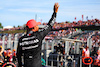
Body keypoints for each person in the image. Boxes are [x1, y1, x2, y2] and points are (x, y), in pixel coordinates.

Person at [17, 3, 59, 67]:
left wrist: (20, 65)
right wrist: (55, 13)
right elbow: (50, 25)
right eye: (37, 25)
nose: (38, 27)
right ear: (33, 28)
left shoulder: (21, 39)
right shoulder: (38, 36)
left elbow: (18, 55)